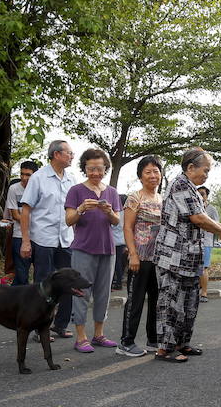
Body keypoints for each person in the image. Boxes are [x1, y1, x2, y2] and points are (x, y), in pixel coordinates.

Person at [154, 148, 221, 363]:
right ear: (190, 168)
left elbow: (205, 218)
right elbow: (198, 218)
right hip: (173, 257)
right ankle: (165, 349)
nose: (207, 175)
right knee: (171, 304)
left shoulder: (193, 189)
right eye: (205, 170)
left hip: (190, 258)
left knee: (189, 304)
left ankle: (182, 343)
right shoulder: (180, 184)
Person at [64, 148, 120, 353]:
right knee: (81, 293)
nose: (95, 173)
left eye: (99, 168)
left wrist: (109, 212)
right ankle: (81, 337)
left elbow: (116, 222)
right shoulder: (76, 191)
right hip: (83, 249)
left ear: (105, 169)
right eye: (91, 169)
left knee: (103, 294)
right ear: (84, 169)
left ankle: (99, 334)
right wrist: (80, 209)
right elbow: (68, 220)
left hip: (108, 249)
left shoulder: (112, 192)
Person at [20, 140, 76, 339]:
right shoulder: (38, 178)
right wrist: (25, 241)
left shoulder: (72, 180)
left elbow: (75, 212)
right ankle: (38, 328)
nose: (72, 156)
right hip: (43, 239)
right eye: (69, 152)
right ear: (56, 154)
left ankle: (60, 325)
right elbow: (26, 210)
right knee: (43, 285)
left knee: (68, 282)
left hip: (66, 240)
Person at [117, 156, 164, 357]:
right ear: (140, 176)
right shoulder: (135, 198)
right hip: (140, 258)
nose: (153, 175)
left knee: (156, 300)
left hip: (159, 259)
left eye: (156, 171)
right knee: (135, 300)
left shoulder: (162, 199)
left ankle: (153, 340)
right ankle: (126, 343)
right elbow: (127, 227)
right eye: (148, 172)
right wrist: (133, 255)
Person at [4, 160, 39, 286]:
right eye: (22, 174)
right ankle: (17, 302)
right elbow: (15, 214)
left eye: (28, 175)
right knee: (21, 273)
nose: (24, 178)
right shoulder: (14, 189)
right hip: (19, 236)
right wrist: (35, 222)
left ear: (36, 175)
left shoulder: (41, 189)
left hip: (39, 237)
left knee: (40, 273)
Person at [197, 186, 219, 303]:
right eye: (198, 194)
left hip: (206, 242)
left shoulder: (211, 209)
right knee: (195, 267)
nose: (200, 196)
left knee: (204, 268)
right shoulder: (194, 207)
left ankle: (204, 293)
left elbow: (218, 226)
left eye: (203, 194)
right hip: (194, 242)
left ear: (206, 196)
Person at [110, 194, 127, 291]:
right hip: (123, 241)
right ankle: (119, 282)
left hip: (114, 240)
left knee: (115, 263)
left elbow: (112, 226)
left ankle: (115, 282)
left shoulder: (116, 213)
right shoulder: (126, 212)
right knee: (120, 263)